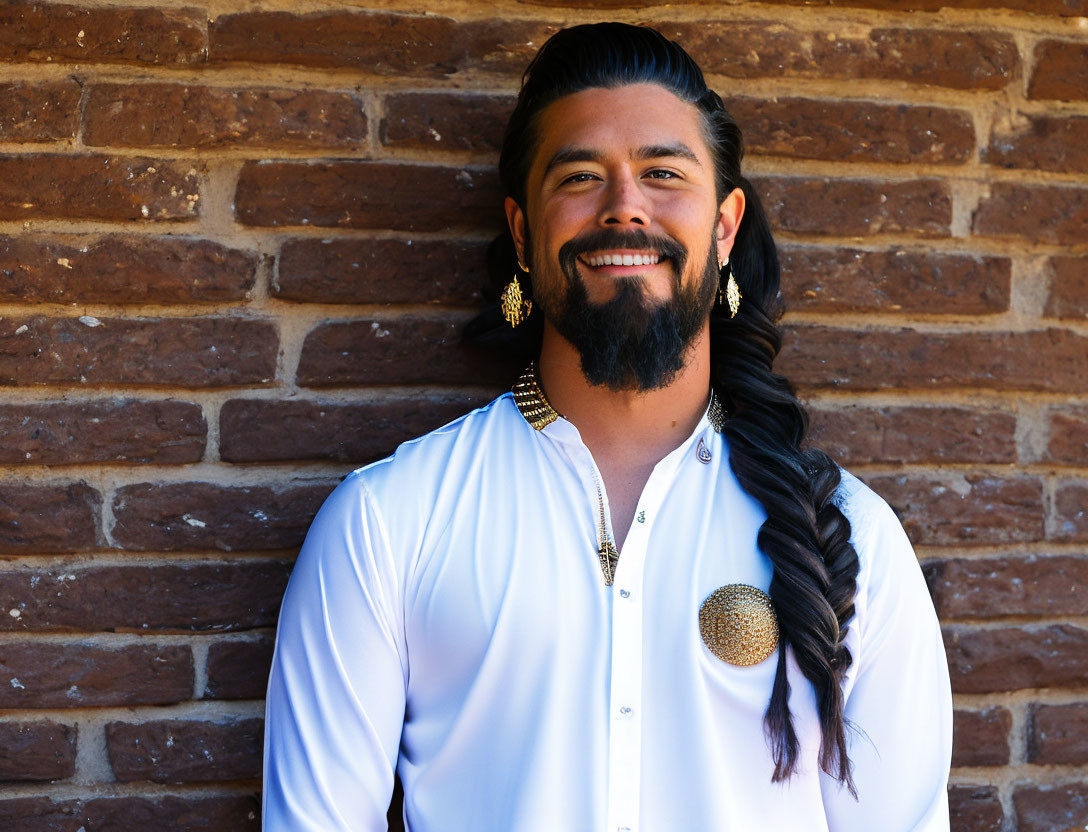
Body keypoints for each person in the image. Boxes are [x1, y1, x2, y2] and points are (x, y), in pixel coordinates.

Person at [263, 22, 952, 832]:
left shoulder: (850, 539)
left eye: (663, 172)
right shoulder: (388, 524)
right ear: (524, 233)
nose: (625, 208)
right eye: (582, 176)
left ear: (725, 228)